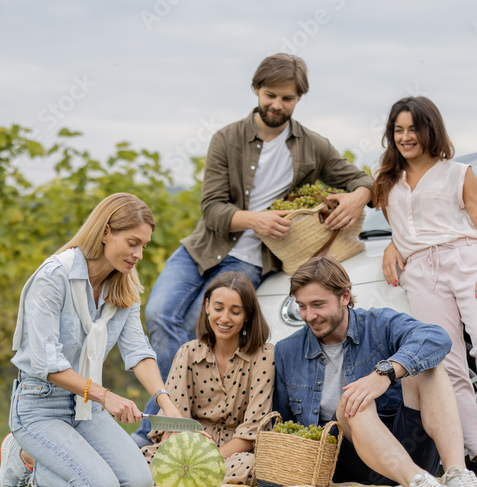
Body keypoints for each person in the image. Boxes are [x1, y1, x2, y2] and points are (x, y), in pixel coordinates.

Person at [133, 52, 374, 447]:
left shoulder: (312, 145)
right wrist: (255, 219)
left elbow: (362, 178)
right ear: (256, 91)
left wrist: (357, 197)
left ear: (298, 99)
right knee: (159, 314)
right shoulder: (227, 139)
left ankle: (155, 433)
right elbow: (211, 210)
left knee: (205, 329)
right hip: (203, 248)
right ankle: (174, 423)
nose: (277, 105)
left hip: (250, 261)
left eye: (287, 98)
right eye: (269, 95)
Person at [273, 257, 477, 487]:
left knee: (427, 365)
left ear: (345, 297)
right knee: (351, 402)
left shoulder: (379, 324)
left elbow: (437, 338)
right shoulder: (287, 351)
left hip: (409, 446)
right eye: (302, 306)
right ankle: (417, 483)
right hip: (351, 462)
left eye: (318, 305)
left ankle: (456, 474)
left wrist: (385, 373)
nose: (309, 316)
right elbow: (284, 428)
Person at [374, 97, 477, 487]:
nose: (405, 137)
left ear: (430, 129)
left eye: (413, 129)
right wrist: (393, 245)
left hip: (467, 263)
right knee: (447, 365)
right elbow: (402, 227)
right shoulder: (386, 180)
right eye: (398, 130)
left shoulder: (459, 173)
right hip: (421, 274)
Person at [0, 193, 182, 487]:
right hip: (39, 405)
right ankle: (23, 461)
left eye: (144, 246)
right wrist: (106, 396)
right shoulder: (53, 277)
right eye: (133, 243)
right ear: (106, 232)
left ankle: (51, 456)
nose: (139, 255)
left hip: (87, 408)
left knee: (140, 483)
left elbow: (138, 351)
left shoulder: (126, 286)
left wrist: (166, 403)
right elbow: (46, 363)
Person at [139, 272, 274, 486]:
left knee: (252, 466)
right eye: (218, 308)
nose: (224, 318)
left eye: (235, 311)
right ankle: (194, 480)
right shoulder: (188, 352)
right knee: (141, 462)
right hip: (189, 445)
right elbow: (174, 419)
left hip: (235, 453)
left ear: (247, 314)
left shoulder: (264, 355)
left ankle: (188, 480)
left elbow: (253, 429)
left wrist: (209, 460)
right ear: (207, 306)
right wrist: (176, 458)